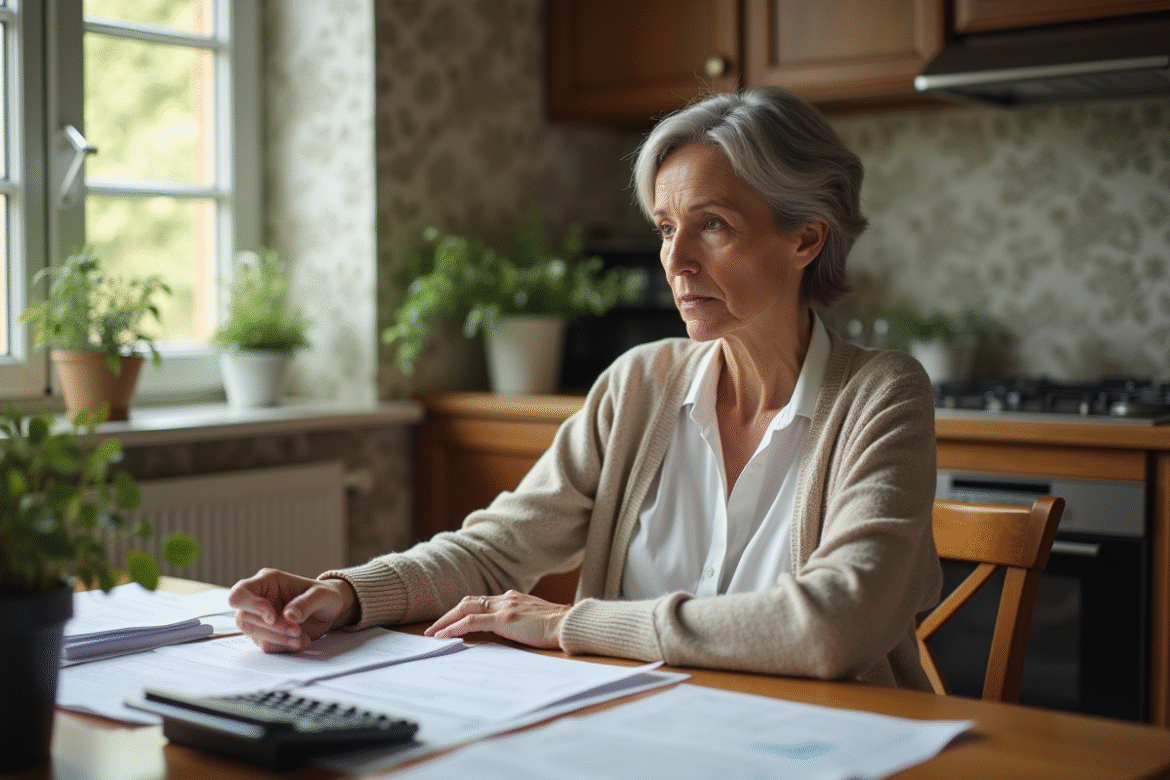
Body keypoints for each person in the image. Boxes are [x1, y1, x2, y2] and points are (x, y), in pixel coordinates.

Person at [230, 85, 942, 690]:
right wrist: (345, 593)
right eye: (667, 228)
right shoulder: (639, 383)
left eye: (713, 225)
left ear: (805, 240)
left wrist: (569, 625)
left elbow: (832, 627)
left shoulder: (882, 395)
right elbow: (495, 550)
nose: (676, 260)